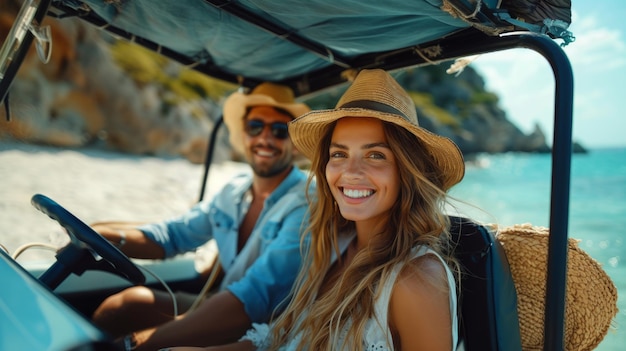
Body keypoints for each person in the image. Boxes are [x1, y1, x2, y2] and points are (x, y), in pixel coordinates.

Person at [165, 68, 466, 351]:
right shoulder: (330, 245)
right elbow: (283, 336)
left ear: (407, 170)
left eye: (375, 155)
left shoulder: (415, 278)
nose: (351, 172)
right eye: (339, 154)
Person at [90, 82, 312, 350]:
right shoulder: (235, 190)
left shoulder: (305, 203)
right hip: (219, 303)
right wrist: (109, 237)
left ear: (296, 143)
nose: (265, 138)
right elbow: (173, 235)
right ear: (244, 134)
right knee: (123, 306)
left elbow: (255, 296)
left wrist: (140, 342)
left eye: (280, 131)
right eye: (256, 127)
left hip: (263, 327)